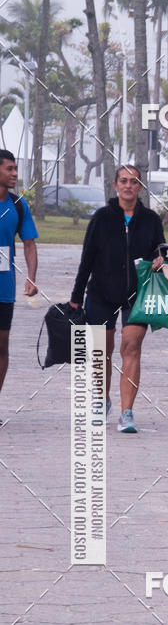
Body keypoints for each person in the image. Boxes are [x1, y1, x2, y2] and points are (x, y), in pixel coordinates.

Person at [69, 165, 165, 433]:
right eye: (124, 181)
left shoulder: (151, 219)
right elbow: (86, 258)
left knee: (131, 348)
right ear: (115, 185)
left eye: (134, 182)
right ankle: (101, 401)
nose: (128, 186)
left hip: (138, 293)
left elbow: (162, 249)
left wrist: (161, 259)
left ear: (140, 187)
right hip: (101, 292)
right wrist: (77, 295)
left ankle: (127, 412)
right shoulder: (101, 218)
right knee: (101, 352)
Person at [0, 149, 38, 426]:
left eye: (15, 169)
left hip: (4, 288)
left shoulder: (18, 205)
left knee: (2, 347)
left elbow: (29, 243)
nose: (15, 174)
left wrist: (31, 277)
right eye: (10, 169)